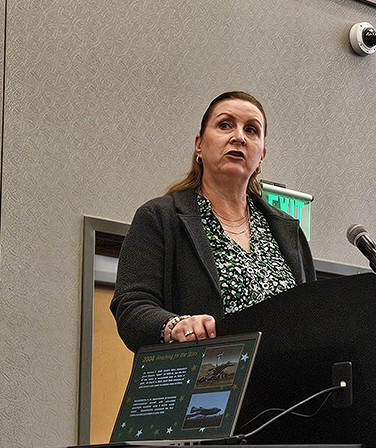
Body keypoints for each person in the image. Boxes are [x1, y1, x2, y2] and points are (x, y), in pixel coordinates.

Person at [111, 91, 315, 352]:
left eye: (251, 130)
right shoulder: (159, 218)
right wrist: (175, 326)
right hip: (202, 373)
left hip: (286, 377)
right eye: (225, 125)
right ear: (199, 144)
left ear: (262, 155)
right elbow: (131, 307)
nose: (239, 137)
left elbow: (313, 316)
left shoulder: (288, 231)